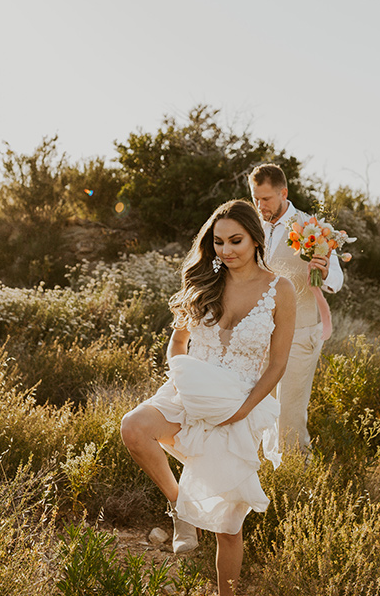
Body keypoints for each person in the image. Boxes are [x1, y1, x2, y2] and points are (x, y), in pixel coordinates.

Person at [121, 199, 295, 596]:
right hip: (189, 389)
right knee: (134, 427)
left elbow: (278, 364)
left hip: (240, 400)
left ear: (255, 239)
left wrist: (243, 411)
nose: (226, 251)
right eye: (218, 242)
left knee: (229, 526)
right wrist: (184, 382)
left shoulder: (279, 290)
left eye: (236, 240)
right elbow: (177, 344)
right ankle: (182, 507)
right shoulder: (203, 283)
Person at [247, 164, 344, 453]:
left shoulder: (312, 227)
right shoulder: (254, 225)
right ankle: (270, 473)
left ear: (283, 193)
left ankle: (298, 478)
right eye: (255, 198)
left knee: (289, 413)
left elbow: (336, 281)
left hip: (301, 332)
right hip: (261, 334)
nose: (260, 205)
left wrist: (324, 271)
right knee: (261, 407)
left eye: (266, 199)